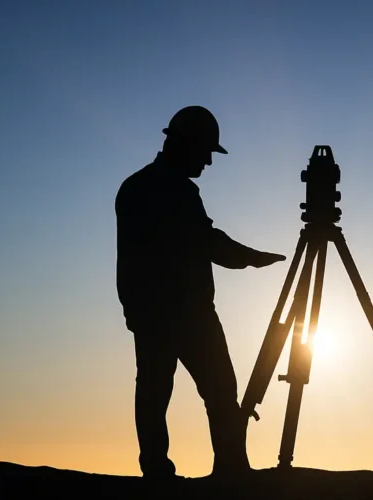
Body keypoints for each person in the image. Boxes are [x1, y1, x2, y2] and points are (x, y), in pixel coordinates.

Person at [114, 105, 286, 480]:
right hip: (184, 313)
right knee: (213, 389)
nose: (208, 161)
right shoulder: (170, 191)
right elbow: (205, 242)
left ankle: (163, 471)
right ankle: (227, 470)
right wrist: (251, 258)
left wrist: (134, 310)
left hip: (157, 313)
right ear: (186, 145)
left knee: (157, 390)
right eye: (206, 152)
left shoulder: (137, 186)